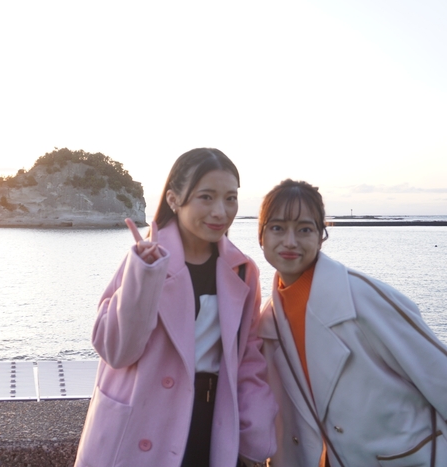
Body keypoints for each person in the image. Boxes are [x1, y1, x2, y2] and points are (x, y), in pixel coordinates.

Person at [74, 148, 277, 467]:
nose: (220, 211)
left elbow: (248, 358)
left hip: (210, 422)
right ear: (173, 200)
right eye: (206, 197)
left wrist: (256, 433)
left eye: (230, 198)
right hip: (144, 423)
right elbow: (115, 351)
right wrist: (143, 276)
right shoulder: (146, 260)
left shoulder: (241, 271)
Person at [256, 179, 447, 467]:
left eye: (305, 229)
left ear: (321, 236)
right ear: (261, 236)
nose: (290, 241)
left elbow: (438, 374)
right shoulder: (267, 321)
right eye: (277, 228)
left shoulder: (364, 298)